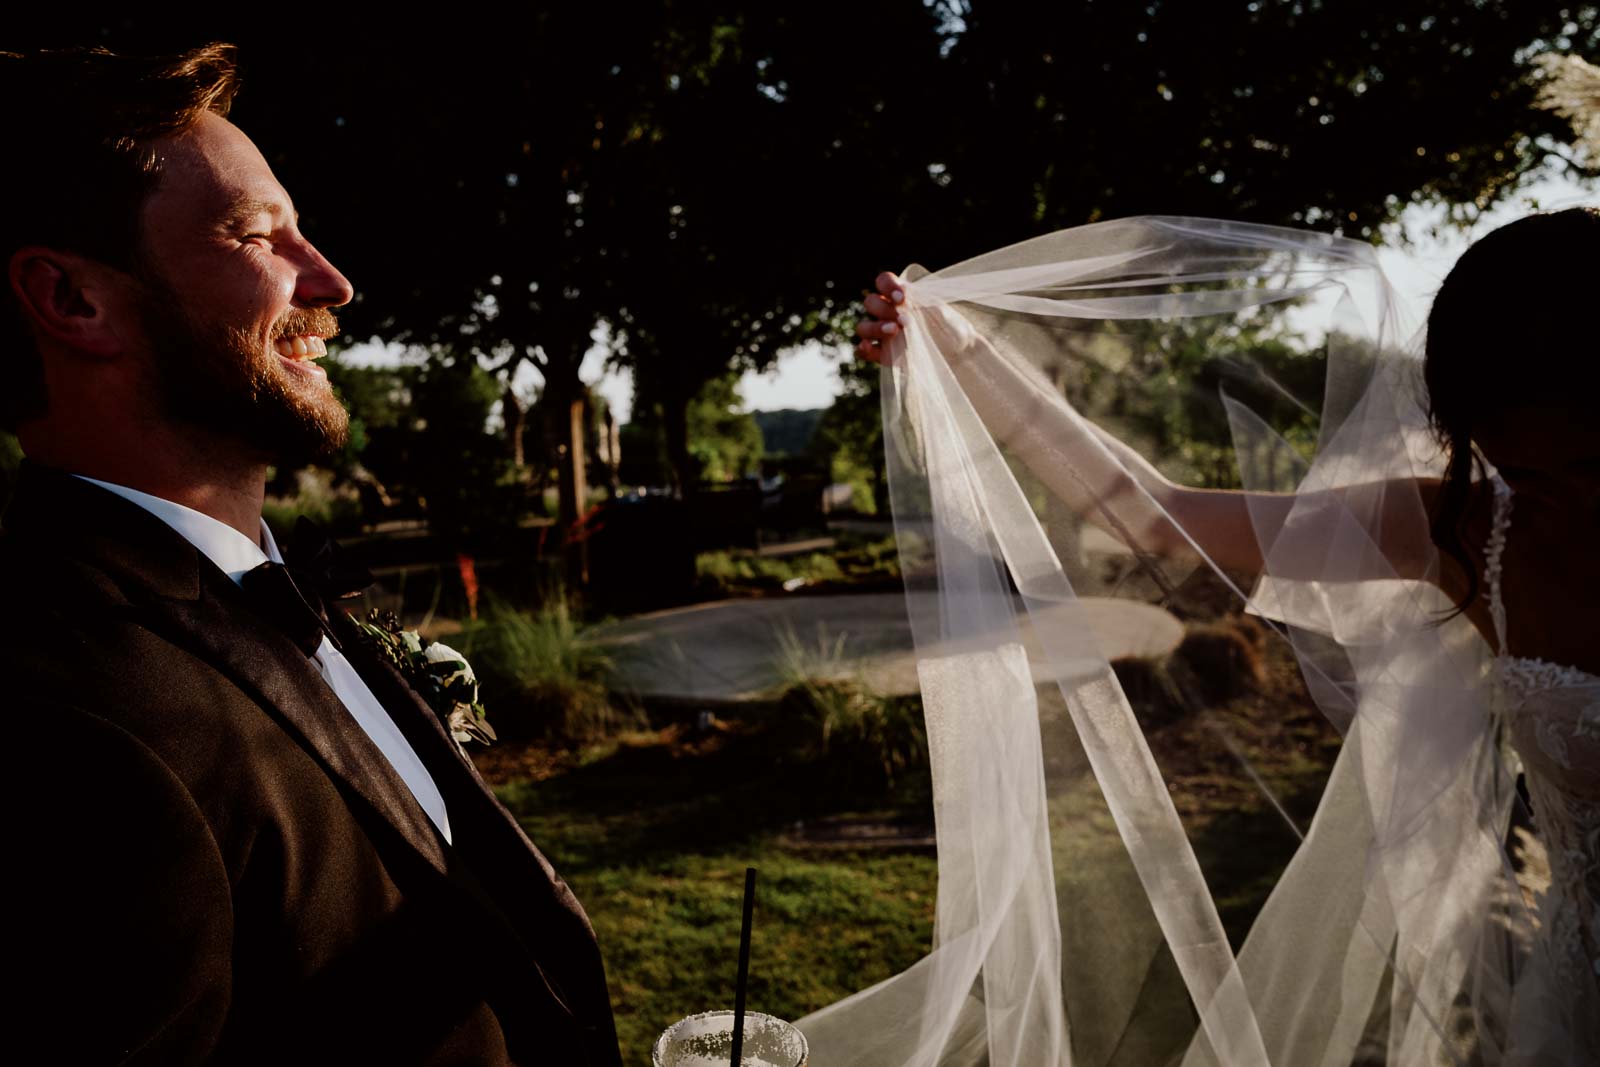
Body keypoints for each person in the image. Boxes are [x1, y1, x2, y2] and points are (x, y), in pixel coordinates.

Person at [811, 209, 1598, 1065]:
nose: (1576, 505)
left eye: (1595, 466)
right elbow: (1152, 513)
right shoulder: (1468, 534)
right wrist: (957, 350)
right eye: (1525, 473)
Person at [2, 44, 622, 1064]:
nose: (331, 280)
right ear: (74, 300)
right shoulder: (64, 720)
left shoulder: (272, 588)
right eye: (257, 234)